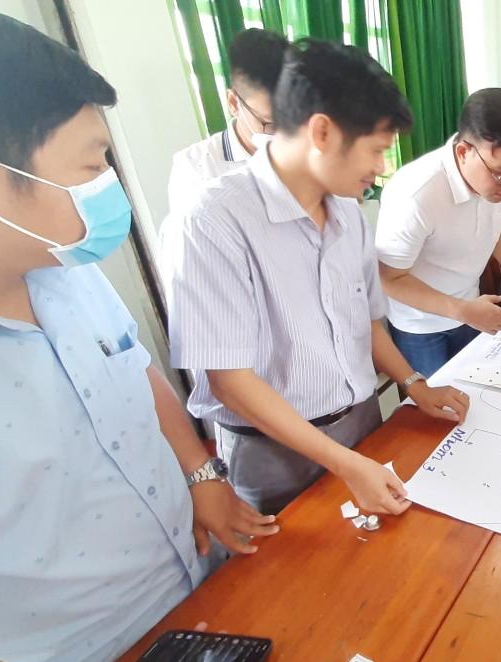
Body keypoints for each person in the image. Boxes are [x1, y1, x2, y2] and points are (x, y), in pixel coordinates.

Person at [0, 4, 276, 662]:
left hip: (198, 599)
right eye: (92, 164)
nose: (109, 184)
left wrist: (200, 471)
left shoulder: (55, 260)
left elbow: (132, 365)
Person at [169, 40, 470, 517]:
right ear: (323, 132)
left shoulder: (348, 214)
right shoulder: (213, 220)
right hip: (273, 451)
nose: (380, 168)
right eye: (376, 150)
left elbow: (367, 322)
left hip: (362, 424)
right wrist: (344, 464)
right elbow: (229, 380)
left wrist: (415, 384)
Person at [377, 88, 501, 377]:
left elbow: (498, 229)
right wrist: (461, 310)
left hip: (472, 310)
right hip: (421, 327)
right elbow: (388, 278)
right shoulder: (416, 193)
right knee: (437, 403)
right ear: (463, 152)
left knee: (479, 394)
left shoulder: (498, 180)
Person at [165, 28, 288, 220]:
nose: (285, 133)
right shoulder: (196, 170)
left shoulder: (308, 148)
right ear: (233, 103)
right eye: (271, 124)